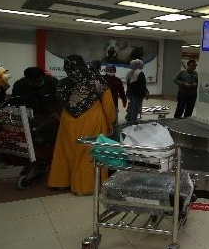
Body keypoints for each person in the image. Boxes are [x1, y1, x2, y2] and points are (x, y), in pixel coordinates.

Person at [48, 55, 116, 195]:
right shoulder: (95, 79)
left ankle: (61, 182)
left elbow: (57, 104)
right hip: (92, 118)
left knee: (66, 150)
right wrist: (110, 122)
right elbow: (108, 104)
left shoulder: (63, 83)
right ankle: (84, 187)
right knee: (88, 151)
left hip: (68, 119)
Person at [125, 59, 148, 124]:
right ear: (138, 65)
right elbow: (142, 85)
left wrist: (128, 93)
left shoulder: (129, 72)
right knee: (136, 107)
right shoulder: (140, 73)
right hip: (138, 94)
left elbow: (128, 83)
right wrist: (145, 94)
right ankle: (133, 121)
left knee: (131, 106)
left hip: (130, 93)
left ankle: (129, 118)